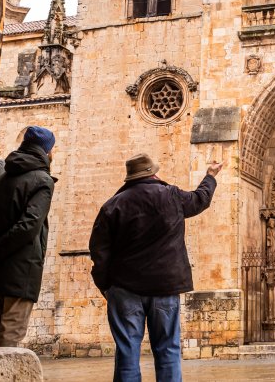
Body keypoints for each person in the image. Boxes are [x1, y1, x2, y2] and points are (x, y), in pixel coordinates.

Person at [90, 154, 224, 382]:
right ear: (153, 174)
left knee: (127, 351)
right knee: (168, 350)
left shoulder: (113, 205)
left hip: (124, 289)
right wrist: (210, 176)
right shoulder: (171, 195)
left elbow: (99, 251)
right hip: (164, 288)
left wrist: (105, 285)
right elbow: (200, 199)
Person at [0, 125, 57, 347]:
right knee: (10, 340)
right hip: (20, 274)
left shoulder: (1, 179)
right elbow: (29, 227)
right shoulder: (43, 180)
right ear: (46, 151)